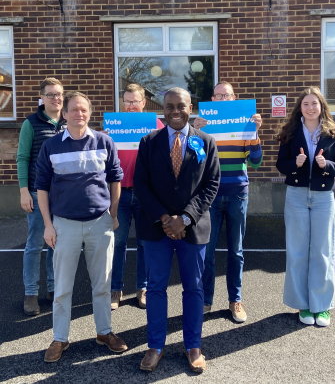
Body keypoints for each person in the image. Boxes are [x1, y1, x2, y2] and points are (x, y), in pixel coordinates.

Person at [35, 91, 128, 362]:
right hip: (64, 225)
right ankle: (60, 338)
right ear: (64, 114)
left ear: (90, 113)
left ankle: (104, 332)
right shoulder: (51, 146)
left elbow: (115, 179)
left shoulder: (104, 141)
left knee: (102, 284)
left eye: (84, 110)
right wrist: (47, 225)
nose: (79, 114)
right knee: (63, 287)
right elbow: (41, 187)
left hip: (100, 222)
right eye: (73, 109)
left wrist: (113, 212)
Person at [133, 88, 220, 373]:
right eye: (169, 106)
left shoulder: (206, 142)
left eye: (180, 106)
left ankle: (193, 345)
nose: (174, 111)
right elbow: (141, 184)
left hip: (192, 228)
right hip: (157, 227)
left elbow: (211, 184)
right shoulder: (148, 142)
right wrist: (164, 218)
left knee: (193, 287)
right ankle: (155, 346)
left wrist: (185, 218)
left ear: (190, 107)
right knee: (156, 287)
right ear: (163, 109)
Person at [276, 86, 335, 327]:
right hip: (295, 196)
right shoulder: (289, 131)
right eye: (305, 104)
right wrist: (294, 164)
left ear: (321, 106)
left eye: (314, 103)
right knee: (297, 252)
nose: (310, 108)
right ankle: (303, 305)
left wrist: (326, 164)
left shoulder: (334, 132)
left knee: (323, 251)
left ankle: (322, 306)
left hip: (323, 198)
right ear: (300, 108)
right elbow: (281, 165)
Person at [193, 81, 263, 322]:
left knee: (236, 251)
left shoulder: (245, 124)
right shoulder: (202, 127)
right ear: (212, 99)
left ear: (234, 98)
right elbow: (195, 161)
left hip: (237, 193)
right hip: (209, 196)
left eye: (227, 95)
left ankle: (235, 300)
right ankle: (205, 300)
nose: (222, 99)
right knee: (207, 252)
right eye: (218, 95)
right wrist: (195, 133)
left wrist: (254, 134)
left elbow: (255, 162)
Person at [111, 83, 164, 311]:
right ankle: (115, 289)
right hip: (119, 194)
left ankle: (142, 288)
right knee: (118, 243)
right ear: (123, 103)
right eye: (127, 101)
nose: (131, 105)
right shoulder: (114, 126)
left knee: (144, 243)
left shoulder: (156, 125)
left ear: (144, 103)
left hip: (144, 195)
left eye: (135, 101)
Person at [16, 77, 66, 316]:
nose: (55, 98)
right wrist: (24, 191)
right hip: (37, 192)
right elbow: (22, 158)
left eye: (58, 94)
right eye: (50, 94)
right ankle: (31, 293)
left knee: (57, 244)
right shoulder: (31, 123)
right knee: (35, 245)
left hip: (64, 195)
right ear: (42, 98)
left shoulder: (70, 121)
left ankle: (54, 289)